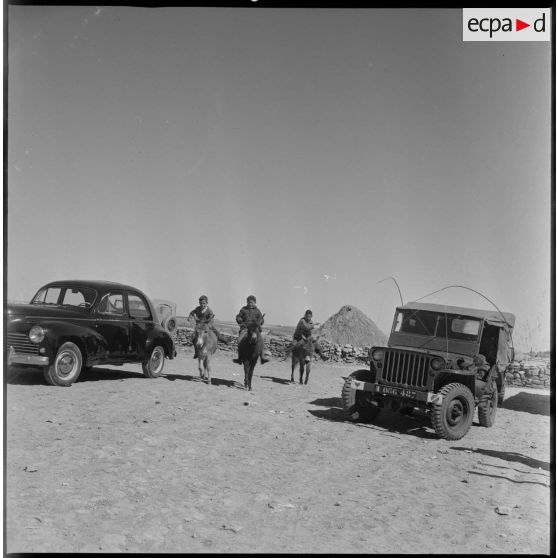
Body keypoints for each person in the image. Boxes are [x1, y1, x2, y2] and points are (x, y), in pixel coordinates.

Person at [233, 295, 271, 365]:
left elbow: (261, 320)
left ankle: (262, 357)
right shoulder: (243, 309)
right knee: (239, 340)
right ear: (247, 302)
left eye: (252, 302)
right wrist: (240, 321)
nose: (250, 304)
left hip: (254, 329)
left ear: (255, 303)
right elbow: (238, 317)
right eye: (249, 302)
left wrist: (260, 322)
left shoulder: (257, 311)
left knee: (261, 340)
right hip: (245, 328)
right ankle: (239, 358)